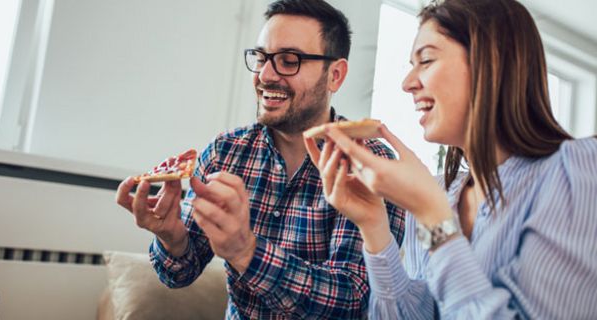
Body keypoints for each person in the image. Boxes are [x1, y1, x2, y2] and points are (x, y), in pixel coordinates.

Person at [304, 0, 597, 318]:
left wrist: (433, 216)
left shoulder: (577, 169)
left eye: (426, 60)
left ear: (490, 62)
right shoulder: (443, 194)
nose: (407, 83)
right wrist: (374, 226)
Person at [116, 0, 405, 318]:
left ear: (334, 75)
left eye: (288, 60)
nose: (265, 75)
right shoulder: (225, 152)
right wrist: (170, 238)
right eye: (261, 57)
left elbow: (352, 299)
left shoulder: (372, 164)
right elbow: (178, 274)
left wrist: (246, 252)